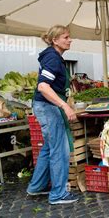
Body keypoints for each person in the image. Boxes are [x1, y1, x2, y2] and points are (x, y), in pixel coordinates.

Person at [27, 25, 79, 205]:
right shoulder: (52, 58)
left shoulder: (53, 56)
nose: (70, 39)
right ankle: (58, 194)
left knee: (49, 147)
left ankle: (36, 186)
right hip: (47, 107)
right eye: (66, 37)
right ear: (55, 40)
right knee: (60, 150)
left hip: (44, 105)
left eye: (69, 37)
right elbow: (43, 86)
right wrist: (65, 106)